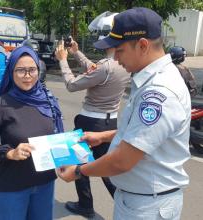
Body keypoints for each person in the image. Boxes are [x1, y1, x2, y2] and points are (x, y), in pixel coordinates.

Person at [58, 7, 191, 220]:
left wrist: (78, 171)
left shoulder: (158, 92)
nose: (116, 59)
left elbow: (122, 161)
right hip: (142, 199)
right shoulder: (148, 78)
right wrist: (102, 136)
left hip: (146, 205)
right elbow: (139, 131)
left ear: (142, 45)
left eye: (119, 51)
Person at [0, 45, 63, 220]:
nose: (27, 76)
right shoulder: (1, 105)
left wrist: (69, 156)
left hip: (45, 184)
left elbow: (58, 135)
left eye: (32, 70)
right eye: (21, 70)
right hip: (13, 187)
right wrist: (10, 152)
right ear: (11, 72)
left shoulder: (47, 99)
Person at [55, 38, 130, 218]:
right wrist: (76, 52)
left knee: (80, 163)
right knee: (106, 167)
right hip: (109, 122)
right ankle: (124, 206)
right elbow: (94, 70)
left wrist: (62, 60)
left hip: (90, 122)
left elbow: (72, 85)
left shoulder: (105, 66)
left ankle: (85, 204)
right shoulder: (124, 64)